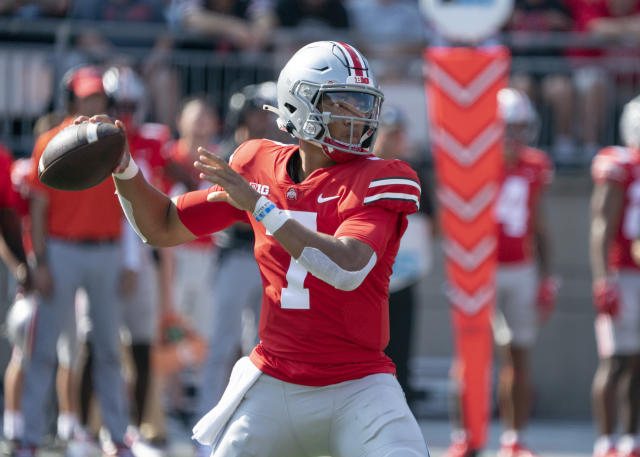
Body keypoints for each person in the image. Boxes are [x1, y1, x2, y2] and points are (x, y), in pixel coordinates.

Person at [80, 40, 429, 457]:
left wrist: (261, 208)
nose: (361, 116)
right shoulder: (258, 164)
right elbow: (163, 225)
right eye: (345, 102)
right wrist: (124, 168)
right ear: (300, 106)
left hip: (358, 384)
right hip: (274, 381)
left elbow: (347, 267)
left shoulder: (382, 177)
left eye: (363, 102)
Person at [17, 65, 134, 457]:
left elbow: (130, 200)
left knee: (108, 351)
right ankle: (29, 439)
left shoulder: (116, 139)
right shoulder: (49, 141)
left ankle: (117, 438)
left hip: (105, 250)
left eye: (98, 96)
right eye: (86, 96)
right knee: (43, 350)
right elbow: (36, 208)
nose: (93, 102)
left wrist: (128, 260)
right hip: (62, 251)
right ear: (71, 99)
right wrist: (39, 262)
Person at [444, 88, 557, 457]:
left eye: (520, 127)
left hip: (520, 268)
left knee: (518, 356)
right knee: (469, 356)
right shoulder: (474, 163)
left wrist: (547, 277)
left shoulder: (536, 164)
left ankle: (513, 439)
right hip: (479, 270)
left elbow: (539, 225)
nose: (515, 135)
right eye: (508, 126)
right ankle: (465, 436)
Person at [192, 82, 287, 457]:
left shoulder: (278, 154)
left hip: (269, 258)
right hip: (235, 257)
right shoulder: (227, 153)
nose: (262, 118)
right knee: (221, 346)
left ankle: (254, 428)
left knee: (261, 350)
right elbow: (220, 211)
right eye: (255, 111)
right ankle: (207, 427)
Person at [371, 105, 434, 404]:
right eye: (388, 133)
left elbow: (430, 222)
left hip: (402, 273)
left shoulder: (414, 174)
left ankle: (401, 404)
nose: (393, 140)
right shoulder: (363, 170)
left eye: (398, 135)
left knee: (402, 344)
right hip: (366, 274)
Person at [589, 93, 640, 457]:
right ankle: (606, 440)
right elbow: (601, 224)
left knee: (637, 362)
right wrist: (602, 277)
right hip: (622, 273)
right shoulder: (619, 163)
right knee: (615, 360)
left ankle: (630, 439)